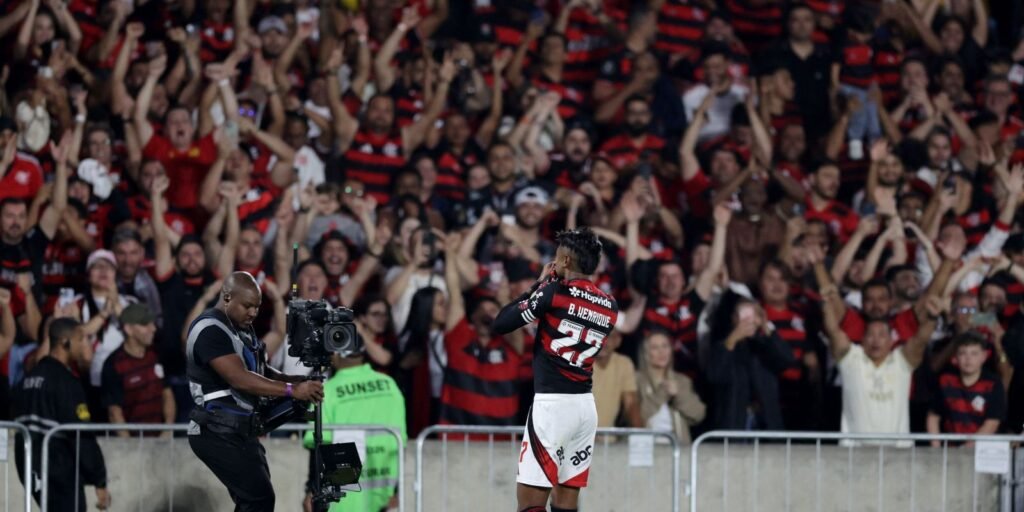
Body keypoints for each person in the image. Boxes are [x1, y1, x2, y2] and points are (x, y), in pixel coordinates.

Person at [493, 227, 619, 512]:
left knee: (530, 505)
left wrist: (538, 286)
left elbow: (501, 323)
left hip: (553, 407)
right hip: (585, 409)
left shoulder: (554, 292)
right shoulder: (610, 305)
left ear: (565, 261)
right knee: (566, 504)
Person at [185, 271, 324, 512]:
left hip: (240, 430)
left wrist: (296, 380)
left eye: (257, 307)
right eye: (247, 306)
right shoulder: (209, 329)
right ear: (227, 298)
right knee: (258, 500)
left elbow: (261, 370)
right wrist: (292, 390)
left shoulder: (241, 327)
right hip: (216, 431)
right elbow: (239, 378)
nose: (253, 313)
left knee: (256, 502)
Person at [13, 317, 111, 511]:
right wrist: (99, 478)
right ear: (65, 343)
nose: (84, 345)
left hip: (29, 466)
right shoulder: (66, 382)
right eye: (80, 339)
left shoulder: (27, 379)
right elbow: (80, 433)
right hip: (58, 468)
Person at [301, 347, 406, 512]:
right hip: (383, 494)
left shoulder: (328, 390)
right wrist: (397, 490)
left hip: (344, 498)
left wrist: (312, 489)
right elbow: (400, 443)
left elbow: (319, 445)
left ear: (335, 354)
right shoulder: (389, 385)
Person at [100, 303, 175, 437]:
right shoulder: (113, 365)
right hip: (131, 442)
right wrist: (130, 445)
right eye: (145, 324)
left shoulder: (157, 355)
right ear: (128, 329)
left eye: (152, 323)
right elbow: (114, 412)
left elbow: (167, 394)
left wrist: (168, 429)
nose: (153, 328)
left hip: (161, 440)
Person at [926, 331, 1005, 445]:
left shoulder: (993, 383)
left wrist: (965, 450)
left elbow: (992, 423)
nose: (968, 359)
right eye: (963, 353)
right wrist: (936, 449)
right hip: (950, 450)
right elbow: (933, 416)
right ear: (955, 357)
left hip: (984, 449)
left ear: (984, 357)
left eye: (974, 354)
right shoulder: (946, 380)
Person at [635, 330, 705, 444]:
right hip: (644, 446)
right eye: (655, 347)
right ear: (646, 353)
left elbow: (698, 414)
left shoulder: (682, 381)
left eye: (665, 346)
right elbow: (635, 417)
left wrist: (679, 396)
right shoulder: (636, 380)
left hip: (677, 447)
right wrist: (662, 394)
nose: (661, 352)